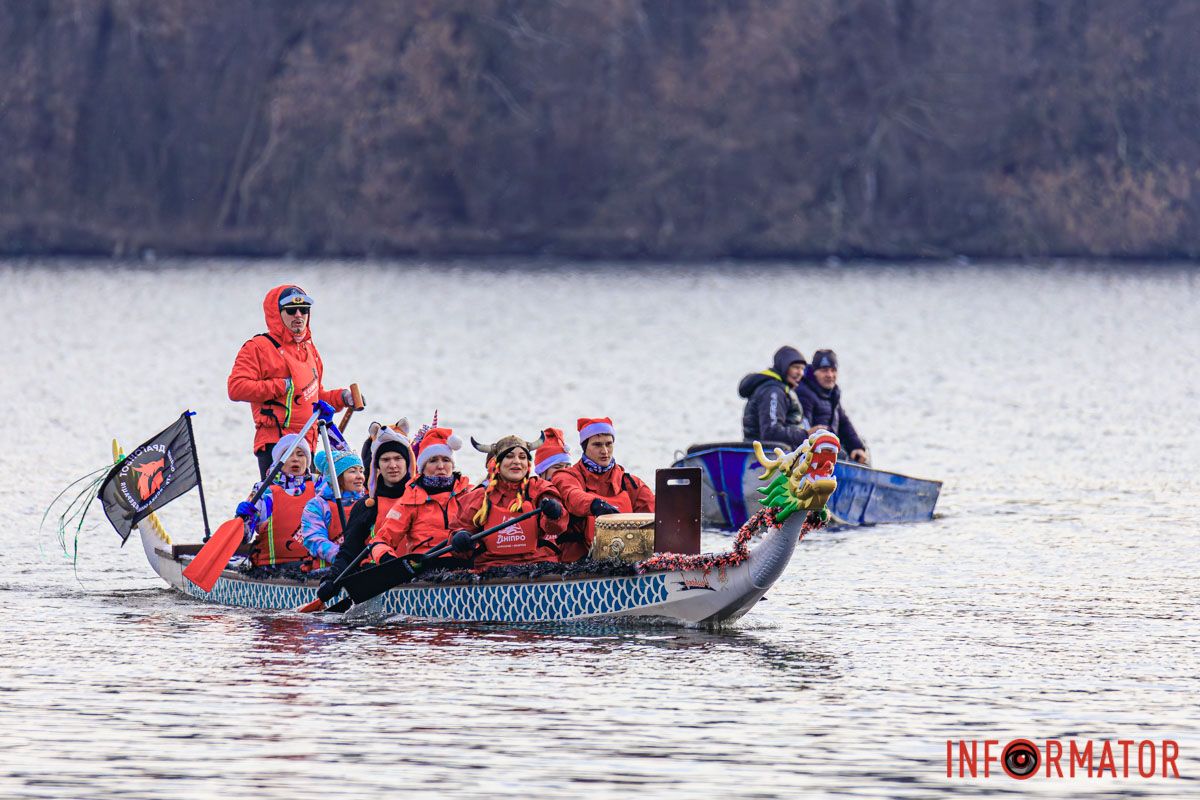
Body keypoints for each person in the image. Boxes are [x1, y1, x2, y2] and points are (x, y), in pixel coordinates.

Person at [227, 285, 358, 478]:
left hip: (307, 443)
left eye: (304, 309)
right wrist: (280, 386)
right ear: (276, 314)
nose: (298, 315)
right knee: (280, 502)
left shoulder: (309, 349)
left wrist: (342, 397)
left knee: (305, 505)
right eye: (291, 310)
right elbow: (236, 388)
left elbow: (313, 396)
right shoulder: (258, 347)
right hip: (276, 444)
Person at [316, 421, 413, 601]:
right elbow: (349, 551)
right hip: (376, 575)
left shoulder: (420, 500)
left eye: (398, 459)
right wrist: (331, 579)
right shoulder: (366, 506)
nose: (393, 465)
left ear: (407, 463)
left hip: (416, 571)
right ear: (376, 466)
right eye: (385, 460)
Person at [455, 433, 567, 570]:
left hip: (540, 566)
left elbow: (557, 528)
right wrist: (460, 538)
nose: (517, 462)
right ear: (497, 463)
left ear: (528, 464)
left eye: (522, 457)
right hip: (491, 569)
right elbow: (460, 545)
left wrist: (555, 515)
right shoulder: (477, 497)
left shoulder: (541, 489)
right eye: (509, 456)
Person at [551, 417, 655, 563]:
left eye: (609, 444)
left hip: (627, 560)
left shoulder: (631, 483)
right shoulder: (567, 476)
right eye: (597, 445)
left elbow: (656, 516)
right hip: (578, 564)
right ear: (585, 447)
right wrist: (594, 505)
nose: (605, 451)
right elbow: (572, 495)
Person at [367, 427, 474, 562]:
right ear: (422, 468)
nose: (440, 466)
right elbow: (380, 540)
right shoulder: (410, 499)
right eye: (433, 460)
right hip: (426, 569)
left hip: (466, 566)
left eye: (446, 460)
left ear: (452, 465)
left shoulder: (470, 494)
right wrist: (386, 559)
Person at [236, 433, 316, 568]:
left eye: (300, 454)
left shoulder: (320, 486)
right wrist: (240, 519)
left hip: (312, 567)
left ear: (307, 460)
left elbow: (351, 474)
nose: (295, 459)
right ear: (279, 460)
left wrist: (330, 427)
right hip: (272, 568)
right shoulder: (263, 490)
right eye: (289, 454)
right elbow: (244, 538)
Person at [297, 448, 366, 573]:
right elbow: (314, 538)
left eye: (361, 471)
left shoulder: (366, 502)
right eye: (352, 471)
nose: (360, 476)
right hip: (327, 570)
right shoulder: (316, 506)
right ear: (337, 477)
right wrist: (343, 559)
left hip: (361, 567)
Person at [796, 349, 869, 464]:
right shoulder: (804, 392)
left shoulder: (833, 392)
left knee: (863, 448)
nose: (830, 375)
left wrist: (857, 446)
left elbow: (844, 423)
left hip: (831, 446)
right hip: (814, 454)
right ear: (814, 372)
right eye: (824, 371)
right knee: (841, 454)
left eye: (833, 370)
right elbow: (804, 430)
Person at [737, 345, 812, 449]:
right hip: (765, 456)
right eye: (796, 367)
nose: (800, 373)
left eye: (802, 369)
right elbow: (771, 432)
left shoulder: (782, 388)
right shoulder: (773, 391)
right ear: (784, 366)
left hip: (783, 453)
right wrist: (807, 435)